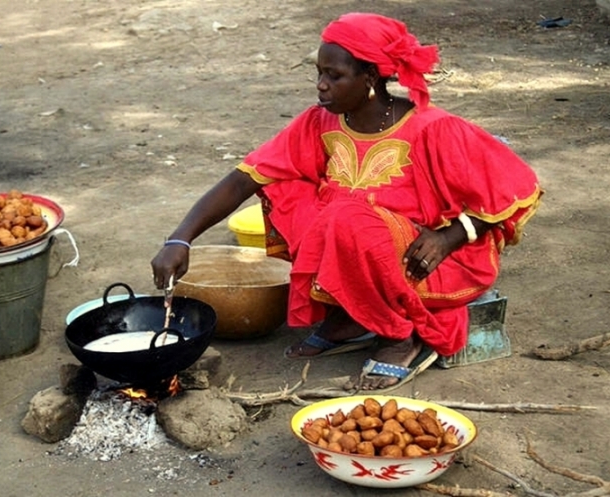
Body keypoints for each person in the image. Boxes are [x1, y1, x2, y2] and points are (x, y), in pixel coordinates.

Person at [151, 12, 542, 393]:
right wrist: (179, 239)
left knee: (346, 214)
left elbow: (516, 187)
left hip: (428, 262)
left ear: (370, 77)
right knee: (284, 188)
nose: (321, 86)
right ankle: (347, 318)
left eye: (334, 76)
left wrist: (450, 237)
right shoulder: (319, 123)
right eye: (319, 74)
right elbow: (242, 179)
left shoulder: (433, 128)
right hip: (356, 245)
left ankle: (398, 336)